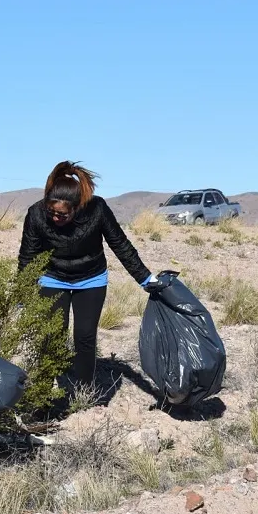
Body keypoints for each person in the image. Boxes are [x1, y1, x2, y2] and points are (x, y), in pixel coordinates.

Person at [18, 161, 156, 389]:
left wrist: (145, 278)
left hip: (91, 277)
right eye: (51, 212)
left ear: (77, 206)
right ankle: (42, 394)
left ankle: (84, 390)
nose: (55, 218)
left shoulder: (97, 209)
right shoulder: (36, 214)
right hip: (52, 277)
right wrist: (23, 292)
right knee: (51, 337)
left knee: (84, 337)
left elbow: (120, 244)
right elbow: (27, 256)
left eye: (62, 215)